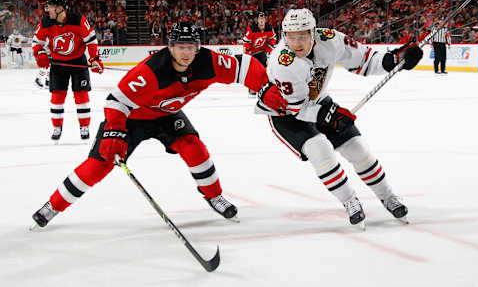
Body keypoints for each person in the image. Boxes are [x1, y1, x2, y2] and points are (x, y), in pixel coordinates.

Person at [31, 22, 287, 229]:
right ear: (170, 47)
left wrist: (264, 87)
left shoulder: (208, 62)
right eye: (180, 47)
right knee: (100, 164)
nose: (186, 53)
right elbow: (116, 101)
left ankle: (214, 196)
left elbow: (245, 67)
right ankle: (53, 205)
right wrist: (114, 132)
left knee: (194, 148)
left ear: (198, 47)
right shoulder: (151, 71)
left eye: (191, 47)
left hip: (166, 115)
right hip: (132, 118)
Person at [256, 8, 423, 228]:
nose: (296, 43)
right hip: (286, 114)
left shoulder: (330, 39)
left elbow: (365, 59)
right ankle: (349, 201)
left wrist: (394, 59)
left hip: (319, 102)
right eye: (291, 36)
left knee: (357, 148)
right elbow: (297, 108)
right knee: (320, 150)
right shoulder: (282, 62)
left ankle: (388, 196)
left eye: (303, 36)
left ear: (313, 32)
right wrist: (331, 116)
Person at [31, 0, 104, 142]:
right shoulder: (46, 22)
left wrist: (94, 59)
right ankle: (57, 128)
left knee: (81, 96)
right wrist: (39, 53)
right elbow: (36, 42)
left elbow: (91, 40)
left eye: (51, 7)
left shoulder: (78, 20)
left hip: (78, 62)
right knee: (57, 97)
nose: (48, 10)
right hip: (58, 64)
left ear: (60, 8)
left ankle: (84, 127)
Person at [243, 11, 277, 96]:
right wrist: (248, 52)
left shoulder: (269, 28)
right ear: (257, 20)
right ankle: (252, 88)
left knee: (263, 71)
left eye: (263, 18)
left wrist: (269, 49)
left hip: (262, 53)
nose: (261, 20)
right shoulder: (252, 29)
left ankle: (262, 87)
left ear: (265, 20)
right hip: (253, 53)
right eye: (260, 18)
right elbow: (246, 41)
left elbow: (273, 39)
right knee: (253, 71)